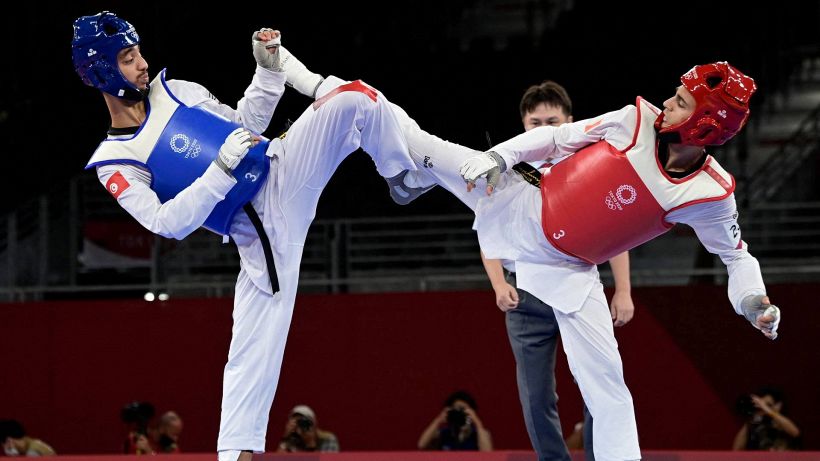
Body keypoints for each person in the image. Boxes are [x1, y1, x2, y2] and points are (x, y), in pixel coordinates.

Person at [386, 61, 781, 461]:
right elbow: (555, 138)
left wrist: (754, 303)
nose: (666, 103)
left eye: (680, 102)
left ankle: (411, 172)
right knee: (403, 132)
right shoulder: (635, 119)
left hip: (573, 273)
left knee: (608, 389)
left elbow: (736, 256)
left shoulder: (709, 194)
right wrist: (500, 157)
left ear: (704, 125)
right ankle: (377, 142)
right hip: (520, 222)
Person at [71, 12, 422, 461]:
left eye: (138, 52)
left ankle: (405, 175)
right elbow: (167, 223)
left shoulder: (177, 90)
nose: (141, 63)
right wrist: (218, 172)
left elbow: (244, 122)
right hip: (257, 230)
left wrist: (268, 71)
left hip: (280, 164)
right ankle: (234, 455)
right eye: (127, 58)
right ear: (100, 70)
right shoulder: (116, 161)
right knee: (251, 352)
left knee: (353, 98)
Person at [481, 80, 634, 461]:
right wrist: (499, 283)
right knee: (536, 394)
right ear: (523, 123)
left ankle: (604, 455)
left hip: (578, 284)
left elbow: (615, 232)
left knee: (598, 383)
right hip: (526, 297)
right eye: (536, 122)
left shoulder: (592, 164)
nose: (545, 127)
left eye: (553, 120)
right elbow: (489, 230)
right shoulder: (506, 164)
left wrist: (624, 290)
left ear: (570, 121)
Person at [418, 391, 493, 451]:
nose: (459, 413)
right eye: (455, 409)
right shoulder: (443, 434)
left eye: (463, 409)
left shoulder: (479, 434)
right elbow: (421, 445)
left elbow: (487, 452)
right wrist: (438, 420)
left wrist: (477, 422)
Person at [733, 387, 801, 451]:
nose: (763, 408)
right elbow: (736, 448)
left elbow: (795, 432)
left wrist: (767, 409)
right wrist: (751, 418)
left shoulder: (786, 422)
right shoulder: (758, 425)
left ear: (779, 405)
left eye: (768, 404)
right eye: (761, 405)